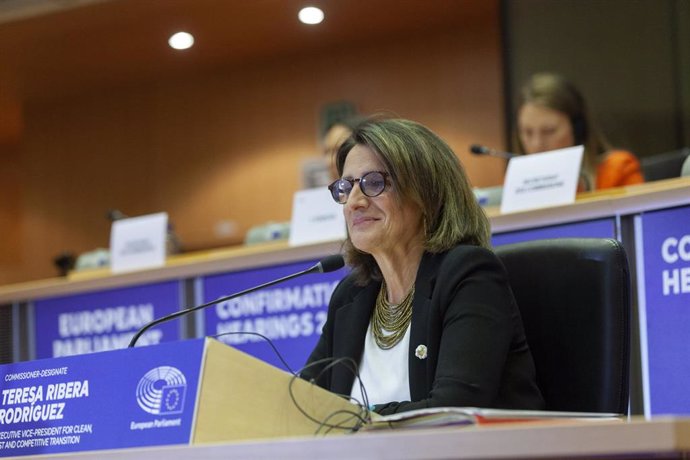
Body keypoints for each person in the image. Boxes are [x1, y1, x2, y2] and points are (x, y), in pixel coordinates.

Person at [301, 117, 544, 415]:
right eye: (346, 186)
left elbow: (450, 412)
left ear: (427, 193)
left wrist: (351, 421)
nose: (354, 201)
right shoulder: (351, 295)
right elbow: (304, 403)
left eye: (374, 183)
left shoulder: (469, 276)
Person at [514, 72, 645, 191]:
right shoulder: (517, 185)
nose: (537, 144)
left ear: (577, 129)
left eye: (549, 131)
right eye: (527, 132)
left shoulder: (618, 170)